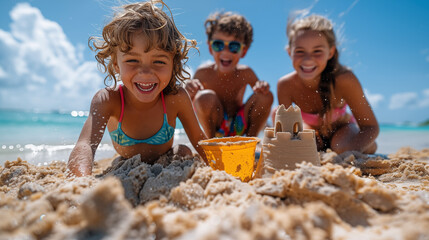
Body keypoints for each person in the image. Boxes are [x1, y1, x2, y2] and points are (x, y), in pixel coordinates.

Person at [67, 0, 208, 177]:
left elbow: (199, 140)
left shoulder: (175, 98)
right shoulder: (108, 100)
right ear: (116, 64)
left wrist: (221, 170)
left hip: (166, 157)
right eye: (132, 60)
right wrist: (81, 181)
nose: (146, 72)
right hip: (126, 161)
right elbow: (85, 145)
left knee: (184, 152)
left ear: (173, 63)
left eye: (159, 61)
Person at [275, 15, 379, 154]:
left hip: (343, 130)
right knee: (305, 146)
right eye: (300, 51)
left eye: (317, 51)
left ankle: (369, 146)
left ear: (330, 52)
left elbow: (370, 127)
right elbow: (286, 133)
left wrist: (350, 150)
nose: (308, 59)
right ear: (289, 52)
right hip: (313, 132)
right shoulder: (285, 85)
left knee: (341, 147)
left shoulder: (344, 79)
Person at [185, 11, 273, 138]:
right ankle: (211, 145)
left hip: (239, 125)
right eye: (218, 44)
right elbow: (189, 106)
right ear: (210, 48)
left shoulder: (246, 73)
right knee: (204, 97)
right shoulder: (203, 73)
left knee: (266, 96)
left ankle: (250, 143)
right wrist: (189, 91)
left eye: (234, 46)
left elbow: (261, 100)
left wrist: (262, 86)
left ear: (243, 51)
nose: (225, 51)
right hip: (215, 127)